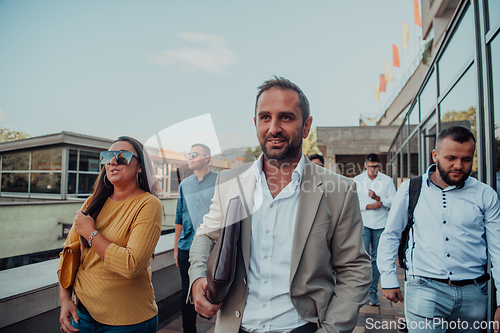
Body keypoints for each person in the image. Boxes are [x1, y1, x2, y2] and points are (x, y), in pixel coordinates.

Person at [188, 76, 371, 333]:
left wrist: (332, 330)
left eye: (286, 117)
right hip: (235, 326)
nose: (273, 128)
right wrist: (197, 277)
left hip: (302, 327)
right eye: (265, 117)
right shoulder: (230, 181)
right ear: (255, 124)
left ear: (306, 126)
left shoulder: (338, 190)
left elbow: (354, 269)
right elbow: (206, 235)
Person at [377, 126, 500, 333]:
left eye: (466, 159)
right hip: (425, 290)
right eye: (451, 158)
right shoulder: (410, 189)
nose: (458, 166)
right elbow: (390, 235)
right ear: (435, 155)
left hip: (474, 295)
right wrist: (388, 277)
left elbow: (498, 249)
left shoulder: (485, 194)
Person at [57, 136, 163, 333]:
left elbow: (131, 265)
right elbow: (69, 253)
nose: (113, 161)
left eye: (122, 156)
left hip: (128, 321)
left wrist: (91, 233)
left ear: (140, 166)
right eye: (108, 157)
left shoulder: (148, 204)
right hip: (82, 315)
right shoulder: (92, 202)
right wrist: (65, 298)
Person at [174, 143, 217, 333]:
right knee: (187, 292)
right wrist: (176, 249)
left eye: (194, 154)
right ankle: (188, 330)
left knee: (216, 290)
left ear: (206, 158)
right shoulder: (184, 184)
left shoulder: (220, 181)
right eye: (188, 154)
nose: (189, 157)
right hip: (186, 248)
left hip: (213, 247)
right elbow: (179, 218)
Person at [353, 153, 396, 306]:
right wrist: (368, 206)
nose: (372, 169)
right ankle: (361, 291)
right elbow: (351, 203)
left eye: (375, 166)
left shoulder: (386, 181)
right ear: (365, 165)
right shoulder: (357, 180)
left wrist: (380, 200)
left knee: (377, 259)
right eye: (370, 166)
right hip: (364, 223)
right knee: (363, 257)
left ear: (379, 166)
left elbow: (394, 202)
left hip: (381, 225)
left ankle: (373, 291)